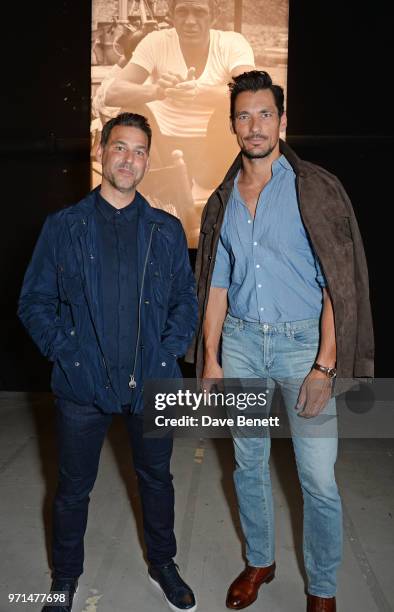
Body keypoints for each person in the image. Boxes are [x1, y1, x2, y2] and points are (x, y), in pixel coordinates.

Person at [190, 71, 374, 611]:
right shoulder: (223, 199)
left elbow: (338, 285)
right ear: (232, 125)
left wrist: (325, 365)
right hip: (242, 344)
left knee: (317, 477)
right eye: (244, 115)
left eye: (264, 114)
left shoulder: (314, 188)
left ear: (282, 120)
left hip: (302, 348)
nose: (254, 125)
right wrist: (213, 358)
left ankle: (321, 588)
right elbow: (216, 285)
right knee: (247, 464)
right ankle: (260, 561)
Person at [18, 113, 198, 612]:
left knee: (157, 482)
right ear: (101, 151)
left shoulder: (165, 229)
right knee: (73, 490)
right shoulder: (64, 227)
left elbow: (186, 296)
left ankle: (163, 563)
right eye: (120, 148)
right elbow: (33, 301)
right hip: (82, 387)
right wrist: (66, 352)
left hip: (152, 383)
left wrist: (167, 350)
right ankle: (64, 577)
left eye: (139, 151)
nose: (129, 159)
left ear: (147, 160)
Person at [101, 0, 255, 189]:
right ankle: (150, 185)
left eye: (199, 12)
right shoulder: (156, 41)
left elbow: (252, 90)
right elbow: (113, 93)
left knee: (236, 110)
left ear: (213, 17)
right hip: (162, 143)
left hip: (213, 147)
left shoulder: (231, 43)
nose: (190, 20)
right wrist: (157, 91)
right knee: (130, 112)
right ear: (172, 16)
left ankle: (219, 184)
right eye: (183, 12)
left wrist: (199, 91)